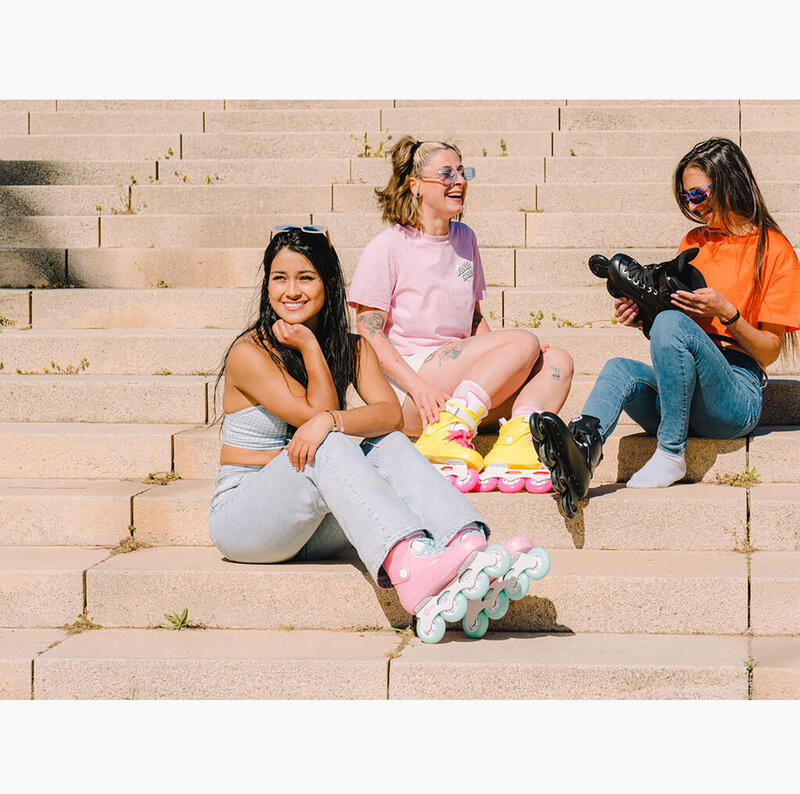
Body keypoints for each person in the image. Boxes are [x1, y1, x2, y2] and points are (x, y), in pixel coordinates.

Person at [207, 225, 544, 643]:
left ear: (329, 283)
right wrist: (312, 350)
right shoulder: (251, 352)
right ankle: (411, 567)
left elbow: (389, 416)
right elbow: (320, 415)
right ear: (267, 284)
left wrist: (332, 415)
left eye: (305, 277)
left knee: (386, 442)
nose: (291, 290)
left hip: (316, 524)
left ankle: (465, 542)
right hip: (247, 519)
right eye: (280, 278)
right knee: (326, 442)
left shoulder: (353, 347)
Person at [530, 137, 800, 518]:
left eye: (699, 194)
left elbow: (770, 351)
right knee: (619, 369)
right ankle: (581, 452)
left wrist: (727, 312)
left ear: (730, 182)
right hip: (684, 390)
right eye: (687, 197)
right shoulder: (694, 242)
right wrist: (644, 316)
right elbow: (675, 331)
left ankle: (671, 452)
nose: (693, 206)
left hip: (737, 393)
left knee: (672, 323)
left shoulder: (773, 249)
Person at [348, 136, 575, 494]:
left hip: (458, 386)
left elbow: (473, 320)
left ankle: (517, 445)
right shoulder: (388, 245)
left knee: (556, 360)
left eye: (463, 172)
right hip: (412, 389)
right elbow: (367, 330)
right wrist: (418, 387)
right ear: (416, 185)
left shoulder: (465, 238)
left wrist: (516, 360)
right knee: (523, 341)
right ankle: (443, 434)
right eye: (447, 173)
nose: (460, 181)